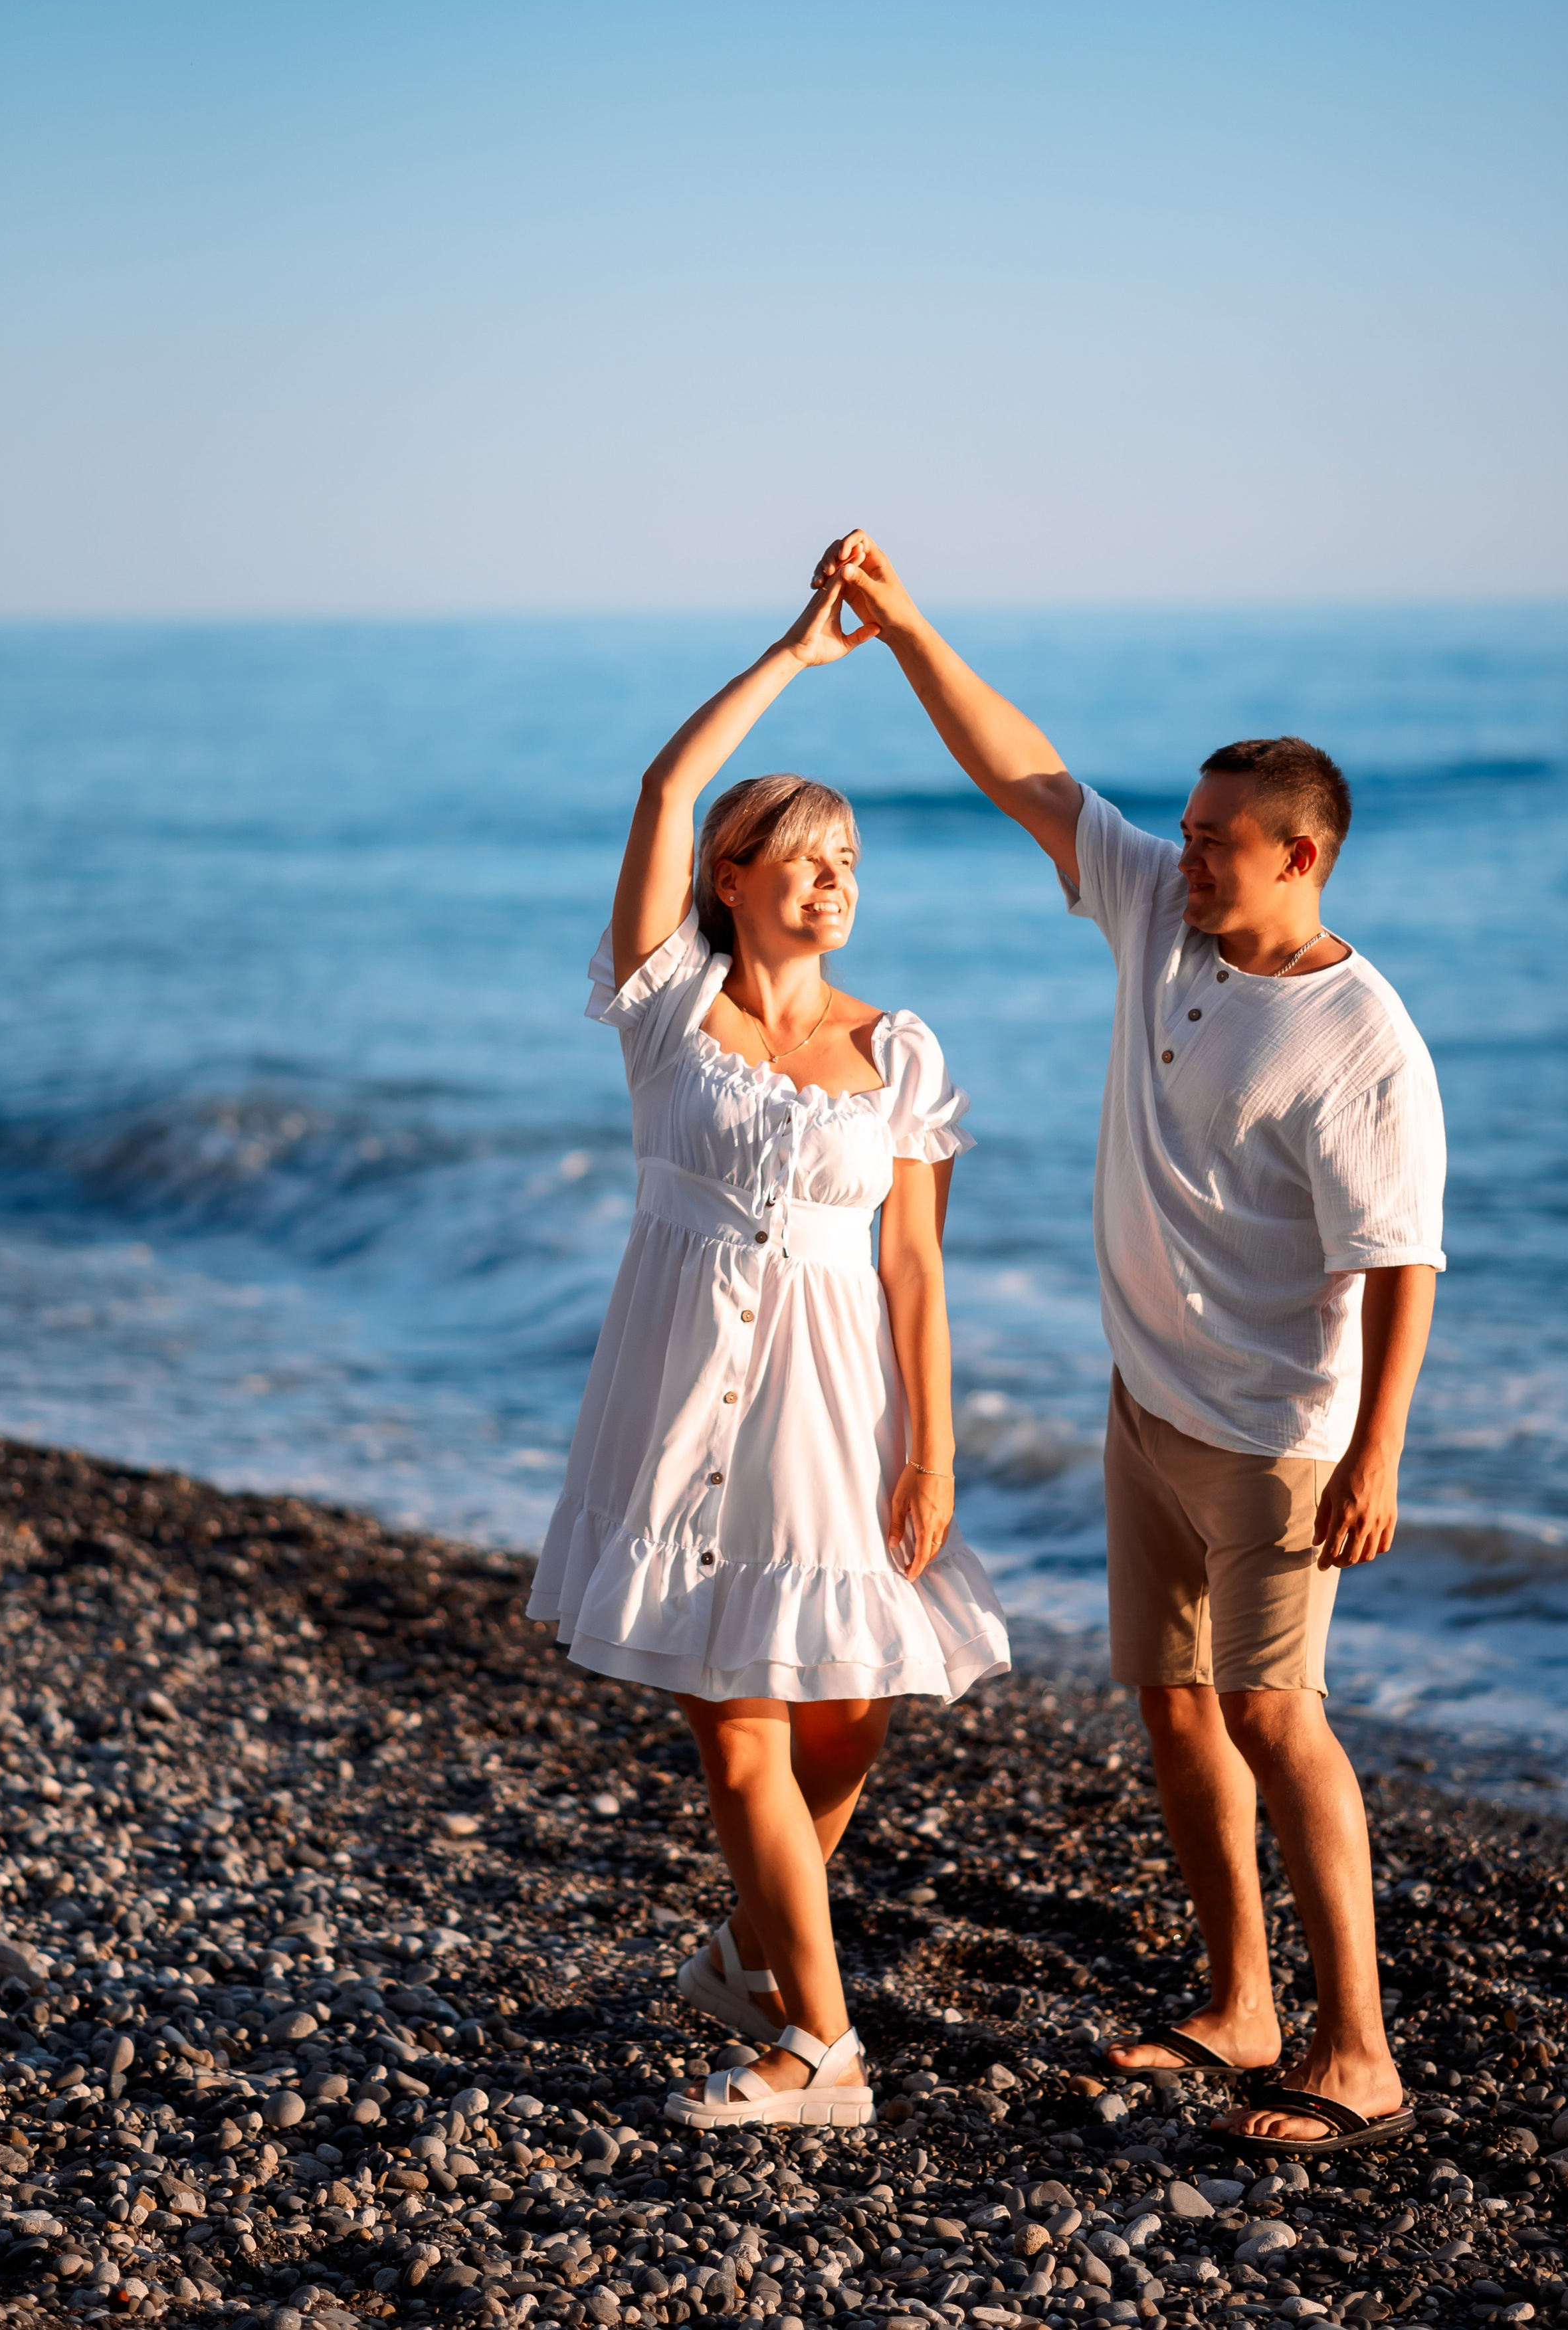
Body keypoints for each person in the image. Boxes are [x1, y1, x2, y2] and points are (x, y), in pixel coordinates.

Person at [809, 530, 1444, 2151]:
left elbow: (1398, 1258)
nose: (1185, 852)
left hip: (1271, 1438)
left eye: (1219, 838)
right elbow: (1025, 776)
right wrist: (901, 628)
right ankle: (1241, 2006)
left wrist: (1373, 1450)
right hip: (1142, 1408)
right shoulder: (1163, 917)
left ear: (1302, 856)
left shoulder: (1358, 1039)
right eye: (1183, 826)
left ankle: (1356, 2051)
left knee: (1275, 1716)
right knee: (1169, 1703)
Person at [528, 576, 1010, 2133]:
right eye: (800, 861)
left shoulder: (898, 1053)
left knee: (849, 1707)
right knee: (738, 1722)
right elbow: (668, 786)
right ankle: (823, 2048)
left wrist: (931, 1451)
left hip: (835, 1402)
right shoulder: (663, 1011)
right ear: (727, 880)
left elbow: (918, 1268)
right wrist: (798, 657)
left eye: (849, 863)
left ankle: (751, 1947)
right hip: (675, 1399)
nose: (831, 885)